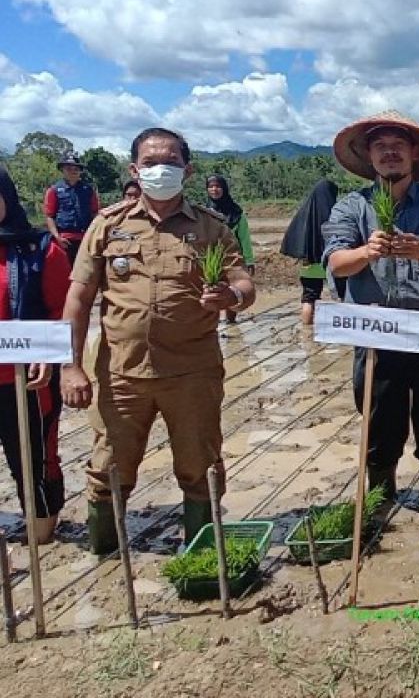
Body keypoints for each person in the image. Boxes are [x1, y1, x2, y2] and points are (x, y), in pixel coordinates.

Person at [61, 127, 256, 554]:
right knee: (108, 469)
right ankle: (106, 558)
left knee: (200, 468)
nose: (159, 170)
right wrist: (71, 366)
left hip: (192, 373)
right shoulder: (108, 225)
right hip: (121, 374)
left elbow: (245, 283)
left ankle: (202, 559)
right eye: (150, 163)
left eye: (169, 162)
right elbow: (78, 297)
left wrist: (232, 296)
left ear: (186, 170)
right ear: (134, 170)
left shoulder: (210, 228)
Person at [324, 111, 419, 518]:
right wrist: (366, 252)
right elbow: (336, 262)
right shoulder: (350, 208)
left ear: (413, 155)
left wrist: (418, 249)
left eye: (398, 145)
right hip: (378, 326)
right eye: (380, 146)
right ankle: (380, 500)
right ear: (370, 156)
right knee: (378, 414)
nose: (390, 152)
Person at [0, 168, 70, 544]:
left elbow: (63, 308)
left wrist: (49, 352)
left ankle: (41, 533)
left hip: (23, 379)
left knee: (32, 458)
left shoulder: (40, 249)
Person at [280, 178, 347, 326]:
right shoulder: (337, 214)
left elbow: (293, 236)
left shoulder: (304, 213)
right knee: (344, 296)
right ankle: (345, 331)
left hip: (309, 264)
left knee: (309, 298)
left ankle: (306, 333)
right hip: (334, 263)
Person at [206, 175, 255, 323]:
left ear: (224, 189)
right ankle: (212, 323)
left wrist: (249, 260)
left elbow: (244, 239)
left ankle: (231, 321)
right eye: (211, 186)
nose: (214, 189)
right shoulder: (202, 212)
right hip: (208, 259)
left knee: (232, 289)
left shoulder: (237, 214)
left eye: (218, 186)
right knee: (211, 290)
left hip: (233, 258)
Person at [43, 153, 100, 265]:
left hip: (85, 238)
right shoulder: (54, 190)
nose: (73, 171)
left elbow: (95, 213)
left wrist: (94, 234)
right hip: (64, 239)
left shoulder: (88, 190)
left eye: (76, 169)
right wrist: (57, 237)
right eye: (69, 168)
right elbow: (49, 216)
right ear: (62, 170)